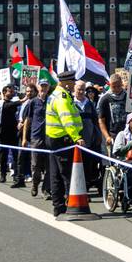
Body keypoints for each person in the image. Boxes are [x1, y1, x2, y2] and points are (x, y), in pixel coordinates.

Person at [45, 71, 85, 218]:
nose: (74, 83)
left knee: (56, 174)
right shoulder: (61, 98)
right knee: (67, 174)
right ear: (66, 82)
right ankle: (71, 205)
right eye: (72, 81)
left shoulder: (55, 94)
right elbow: (66, 119)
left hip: (53, 138)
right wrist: (76, 137)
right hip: (63, 138)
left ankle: (58, 206)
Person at [97, 72, 129, 149]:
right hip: (113, 135)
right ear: (109, 85)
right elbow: (101, 120)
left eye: (119, 86)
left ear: (122, 84)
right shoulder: (105, 99)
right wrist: (107, 136)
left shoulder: (128, 97)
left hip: (128, 134)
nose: (117, 89)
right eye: (114, 87)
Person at [0, 85, 19, 184]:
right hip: (3, 132)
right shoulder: (1, 103)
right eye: (10, 91)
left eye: (12, 91)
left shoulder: (12, 103)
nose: (12, 93)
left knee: (15, 154)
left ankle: (16, 175)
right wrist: (22, 100)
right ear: (4, 93)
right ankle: (3, 174)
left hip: (13, 131)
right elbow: (8, 106)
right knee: (3, 154)